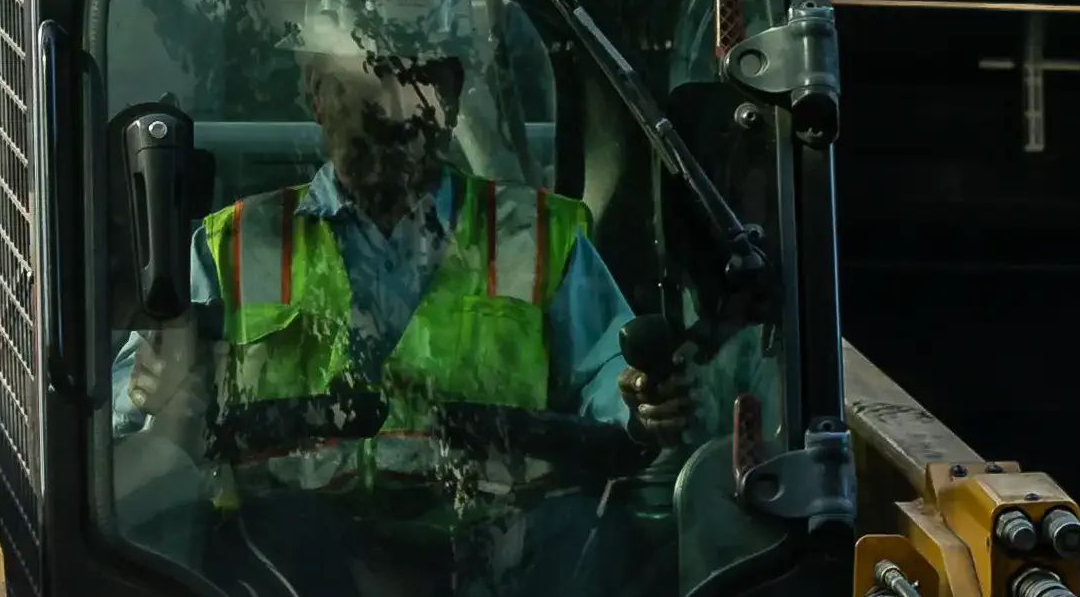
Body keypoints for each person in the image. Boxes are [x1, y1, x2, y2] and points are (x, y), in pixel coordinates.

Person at [116, 40, 688, 506]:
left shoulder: (538, 235)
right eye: (367, 82)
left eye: (418, 81)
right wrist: (153, 396)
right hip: (285, 565)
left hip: (506, 562)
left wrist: (638, 402)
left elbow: (612, 374)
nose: (393, 109)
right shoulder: (231, 246)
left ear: (453, 99)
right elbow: (129, 402)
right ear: (318, 96)